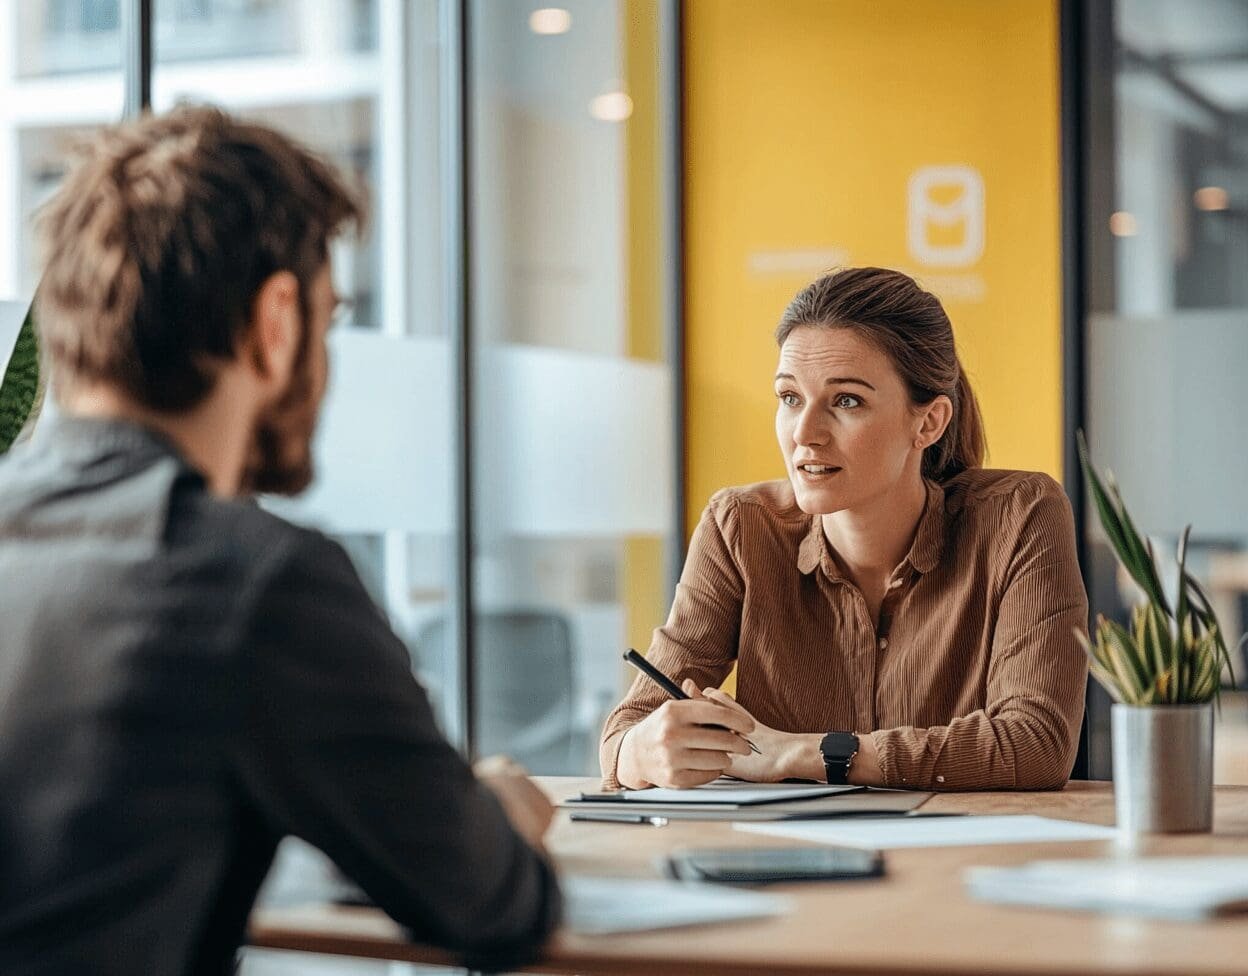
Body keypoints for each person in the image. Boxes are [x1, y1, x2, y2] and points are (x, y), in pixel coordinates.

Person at [0, 106, 560, 976]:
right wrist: (499, 809)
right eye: (330, 321)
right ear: (277, 321)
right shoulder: (253, 580)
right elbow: (491, 903)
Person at [601, 267, 1088, 793]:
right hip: (788, 864)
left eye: (846, 401)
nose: (805, 434)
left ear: (928, 422)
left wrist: (800, 752)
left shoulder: (1021, 516)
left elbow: (1036, 744)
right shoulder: (738, 527)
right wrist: (646, 752)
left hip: (954, 863)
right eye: (790, 398)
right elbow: (623, 736)